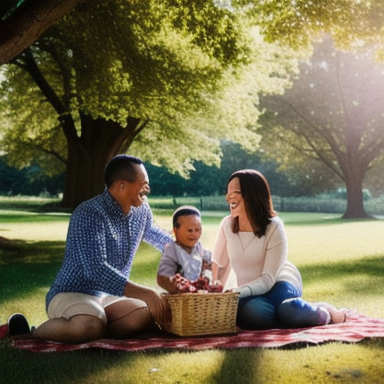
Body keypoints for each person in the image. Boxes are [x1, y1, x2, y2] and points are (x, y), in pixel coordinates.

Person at [8, 154, 173, 342]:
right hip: (70, 293)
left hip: (108, 297)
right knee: (90, 324)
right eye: (143, 183)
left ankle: (95, 329)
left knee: (147, 313)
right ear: (122, 185)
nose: (148, 188)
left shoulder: (142, 210)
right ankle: (30, 334)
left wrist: (183, 250)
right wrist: (146, 292)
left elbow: (153, 233)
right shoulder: (88, 214)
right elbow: (97, 271)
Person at [212, 169, 346, 330]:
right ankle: (285, 320)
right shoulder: (227, 224)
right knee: (253, 314)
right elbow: (217, 264)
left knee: (289, 309)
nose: (228, 197)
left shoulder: (274, 226)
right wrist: (213, 288)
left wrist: (237, 292)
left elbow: (267, 280)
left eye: (236, 192)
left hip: (278, 282)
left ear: (252, 195)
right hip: (248, 291)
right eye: (228, 193)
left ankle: (327, 312)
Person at [157, 206, 212, 293]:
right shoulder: (172, 250)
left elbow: (213, 268)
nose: (194, 234)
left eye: (197, 230)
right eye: (190, 230)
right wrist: (176, 284)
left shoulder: (201, 250)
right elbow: (163, 277)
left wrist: (208, 272)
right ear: (175, 231)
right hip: (180, 299)